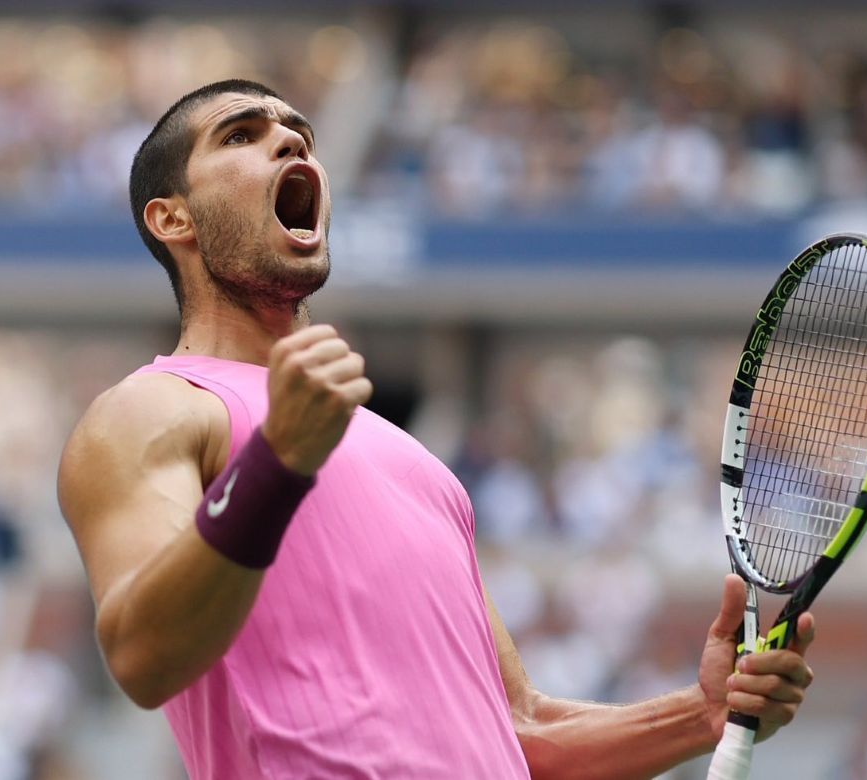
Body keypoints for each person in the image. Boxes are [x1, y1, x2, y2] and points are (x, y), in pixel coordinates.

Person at [58, 79, 816, 779]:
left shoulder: (417, 464)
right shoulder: (151, 409)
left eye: (299, 132)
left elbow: (517, 732)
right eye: (241, 135)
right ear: (172, 216)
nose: (290, 142)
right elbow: (140, 651)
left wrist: (700, 715)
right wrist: (276, 462)